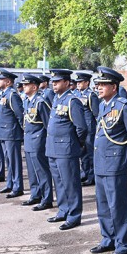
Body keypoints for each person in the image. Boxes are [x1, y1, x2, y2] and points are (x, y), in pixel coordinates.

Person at [89, 67, 127, 254]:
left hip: (115, 163)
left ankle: (123, 244)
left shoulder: (123, 106)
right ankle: (108, 238)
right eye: (98, 84)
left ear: (114, 86)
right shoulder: (103, 105)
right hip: (101, 162)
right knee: (103, 204)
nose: (99, 87)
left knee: (117, 205)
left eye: (103, 84)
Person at [45, 69, 88, 230]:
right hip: (53, 148)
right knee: (59, 183)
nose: (54, 84)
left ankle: (74, 215)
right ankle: (63, 210)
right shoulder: (57, 99)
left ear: (66, 83)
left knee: (70, 183)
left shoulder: (72, 101)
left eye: (57, 81)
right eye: (53, 82)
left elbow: (81, 128)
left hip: (66, 149)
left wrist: (75, 144)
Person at [20, 73, 54, 211]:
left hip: (38, 140)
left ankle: (47, 199)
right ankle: (35, 194)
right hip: (29, 139)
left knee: (42, 171)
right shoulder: (28, 101)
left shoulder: (40, 102)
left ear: (34, 87)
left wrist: (46, 142)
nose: (23, 87)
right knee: (32, 171)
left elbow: (48, 125)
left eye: (26, 85)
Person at [0, 70, 24, 198]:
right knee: (9, 160)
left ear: (8, 82)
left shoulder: (12, 95)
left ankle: (17, 187)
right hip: (4, 133)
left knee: (14, 161)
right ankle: (10, 183)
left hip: (11, 133)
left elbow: (20, 115)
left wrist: (23, 131)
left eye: (1, 79)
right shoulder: (4, 94)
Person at [75, 71, 100, 187]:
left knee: (90, 153)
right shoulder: (76, 94)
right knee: (82, 153)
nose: (78, 84)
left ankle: (93, 176)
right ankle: (85, 173)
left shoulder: (91, 95)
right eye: (77, 82)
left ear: (87, 83)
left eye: (81, 82)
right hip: (80, 128)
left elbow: (96, 113)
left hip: (89, 128)